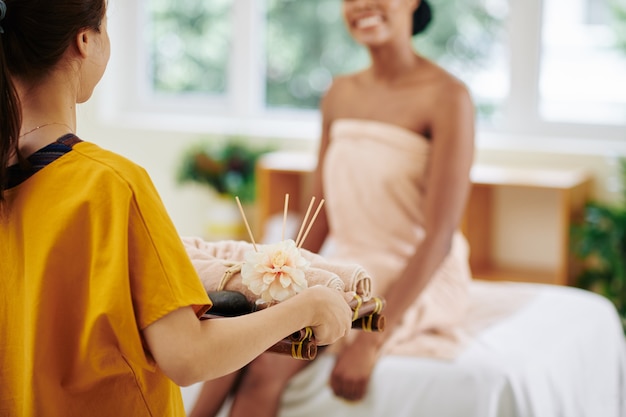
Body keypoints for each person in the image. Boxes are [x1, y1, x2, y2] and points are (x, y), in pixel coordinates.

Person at [0, 1, 353, 415]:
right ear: (84, 40)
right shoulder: (111, 183)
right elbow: (187, 356)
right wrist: (308, 307)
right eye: (106, 27)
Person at [188, 0, 475, 415]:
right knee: (242, 327)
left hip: (418, 268)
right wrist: (281, 277)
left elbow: (441, 236)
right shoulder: (340, 93)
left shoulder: (448, 96)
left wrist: (372, 337)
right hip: (351, 259)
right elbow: (317, 215)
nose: (362, 5)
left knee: (266, 366)